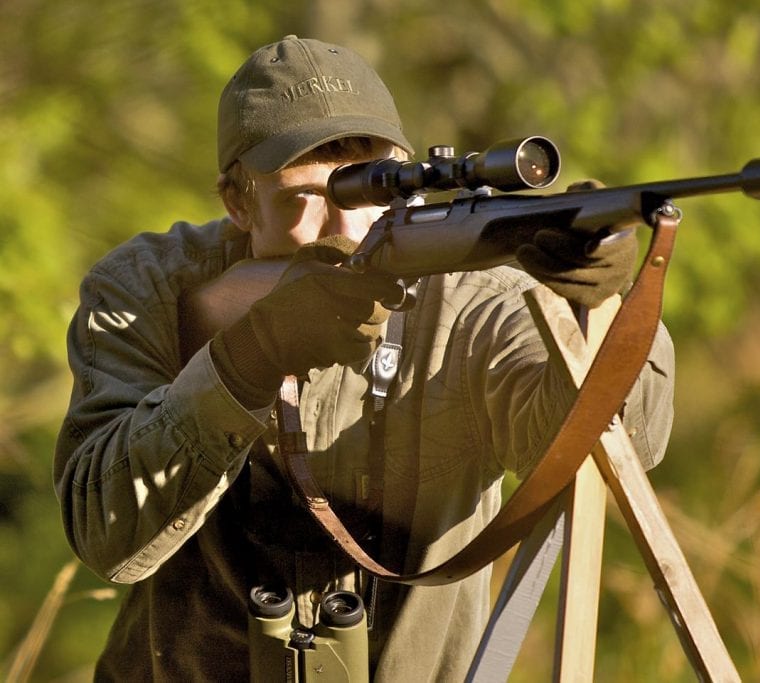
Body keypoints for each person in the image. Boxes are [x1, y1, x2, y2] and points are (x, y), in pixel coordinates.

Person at [54, 35, 674, 681]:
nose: (351, 228)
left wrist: (603, 313)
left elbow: (620, 442)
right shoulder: (149, 289)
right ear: (237, 200)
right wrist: (250, 358)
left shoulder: (474, 296)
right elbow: (106, 531)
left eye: (377, 186)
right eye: (309, 196)